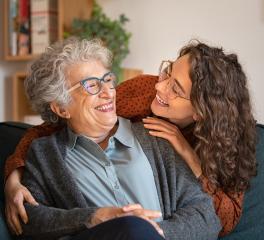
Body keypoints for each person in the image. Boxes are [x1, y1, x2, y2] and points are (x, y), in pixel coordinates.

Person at [4, 40, 255, 237]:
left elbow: (213, 217)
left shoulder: (162, 140)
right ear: (61, 107)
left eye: (107, 80)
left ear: (201, 111)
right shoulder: (144, 94)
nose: (160, 86)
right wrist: (12, 179)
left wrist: (155, 233)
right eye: (92, 85)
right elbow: (42, 133)